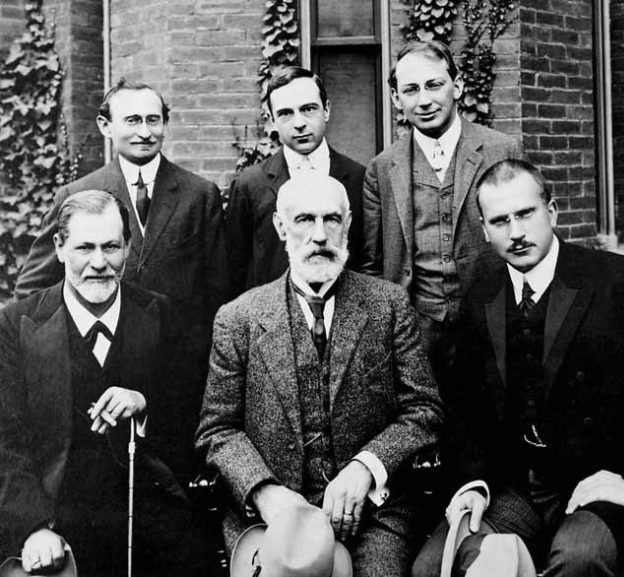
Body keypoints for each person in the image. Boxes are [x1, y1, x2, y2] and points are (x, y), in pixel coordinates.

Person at [197, 174, 443, 577]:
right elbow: (217, 430)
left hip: (372, 516)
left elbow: (424, 409)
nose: (319, 235)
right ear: (280, 227)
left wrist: (367, 466)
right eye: (304, 220)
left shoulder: (388, 305)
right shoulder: (238, 318)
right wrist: (264, 491)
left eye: (332, 220)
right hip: (269, 520)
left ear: (348, 224)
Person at [413, 159, 624, 576]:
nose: (515, 233)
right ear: (483, 230)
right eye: (500, 221)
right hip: (516, 486)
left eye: (525, 214)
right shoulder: (481, 297)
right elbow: (463, 410)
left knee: (579, 559)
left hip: (602, 485)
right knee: (432, 567)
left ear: (551, 212)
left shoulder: (620, 283)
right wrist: (472, 483)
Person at [0, 190, 207, 577]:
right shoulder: (17, 325)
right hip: (55, 526)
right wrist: (32, 528)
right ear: (60, 248)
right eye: (84, 248)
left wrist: (144, 405)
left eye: (111, 247)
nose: (99, 263)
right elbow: (6, 442)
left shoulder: (162, 315)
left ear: (128, 247)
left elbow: (194, 416)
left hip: (149, 524)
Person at [14, 78, 228, 396]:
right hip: (95, 364)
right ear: (106, 125)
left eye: (153, 120)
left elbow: (218, 292)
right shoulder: (77, 194)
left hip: (174, 369)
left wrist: (198, 357)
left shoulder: (200, 195)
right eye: (132, 120)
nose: (144, 132)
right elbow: (32, 289)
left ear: (166, 124)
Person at [361, 41, 522, 382]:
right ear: (396, 99)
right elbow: (373, 265)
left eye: (434, 84)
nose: (424, 100)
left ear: (457, 86)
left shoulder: (501, 150)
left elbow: (525, 238)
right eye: (411, 89)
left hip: (491, 324)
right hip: (416, 330)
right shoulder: (382, 168)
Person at [226, 66, 365, 298]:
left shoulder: (359, 178)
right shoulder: (250, 185)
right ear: (272, 120)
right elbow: (236, 269)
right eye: (285, 113)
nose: (299, 123)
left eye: (308, 109)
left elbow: (367, 259)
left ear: (327, 110)